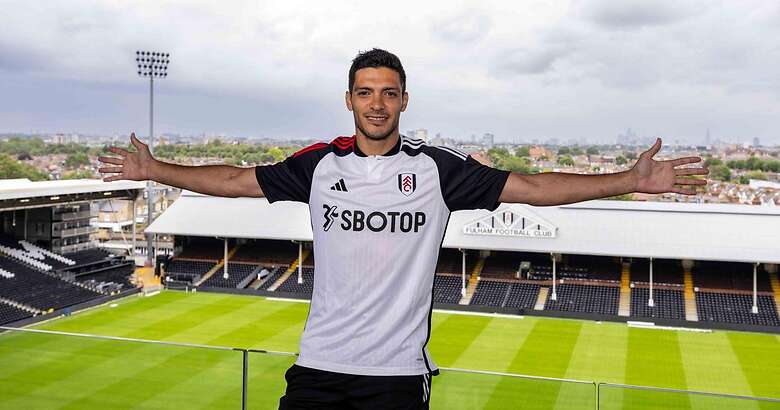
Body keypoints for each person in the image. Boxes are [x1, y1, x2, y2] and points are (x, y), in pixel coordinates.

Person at [98, 48, 709, 409]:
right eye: (366, 92)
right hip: (318, 371)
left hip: (394, 380)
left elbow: (535, 188)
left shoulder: (437, 170)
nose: (377, 104)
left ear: (404, 100)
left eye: (389, 93)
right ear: (349, 100)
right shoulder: (319, 165)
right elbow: (236, 181)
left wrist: (630, 179)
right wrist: (155, 169)